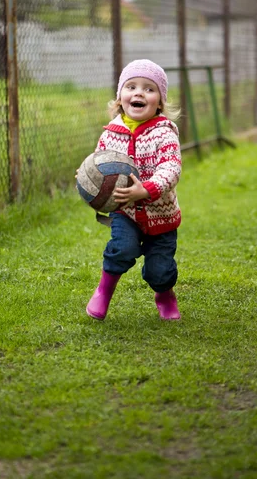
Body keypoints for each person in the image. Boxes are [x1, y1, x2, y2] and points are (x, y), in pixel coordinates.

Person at [86, 59, 182, 321]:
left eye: (149, 89)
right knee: (121, 249)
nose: (139, 92)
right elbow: (98, 163)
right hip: (124, 211)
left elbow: (171, 169)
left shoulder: (165, 133)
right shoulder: (110, 134)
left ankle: (164, 294)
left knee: (159, 270)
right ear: (120, 98)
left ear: (159, 102)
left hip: (161, 213)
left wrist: (147, 189)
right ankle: (104, 291)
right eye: (131, 87)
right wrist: (87, 177)